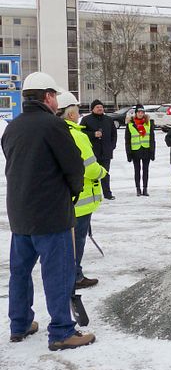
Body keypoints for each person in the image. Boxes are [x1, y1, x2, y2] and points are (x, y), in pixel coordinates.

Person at [3, 72, 94, 350]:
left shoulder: (12, 127)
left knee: (20, 272)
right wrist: (74, 191)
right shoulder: (55, 127)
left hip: (20, 216)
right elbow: (74, 167)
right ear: (48, 97)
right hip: (51, 216)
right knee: (57, 273)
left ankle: (20, 324)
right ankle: (62, 331)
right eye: (54, 95)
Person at [57, 92, 108, 290]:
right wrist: (102, 172)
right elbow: (90, 167)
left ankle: (67, 275)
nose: (79, 114)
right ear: (70, 114)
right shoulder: (77, 135)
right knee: (77, 241)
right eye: (77, 111)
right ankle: (75, 277)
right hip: (81, 199)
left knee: (65, 241)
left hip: (63, 198)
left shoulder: (56, 133)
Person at [80, 98, 118, 200]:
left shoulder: (109, 120)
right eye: (97, 107)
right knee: (92, 174)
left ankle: (107, 194)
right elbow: (81, 133)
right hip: (92, 153)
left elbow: (114, 134)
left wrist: (112, 146)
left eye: (101, 107)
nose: (100, 108)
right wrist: (93, 134)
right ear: (93, 109)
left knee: (105, 173)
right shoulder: (86, 120)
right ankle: (92, 194)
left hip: (106, 152)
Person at [124, 104, 156, 196]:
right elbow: (127, 140)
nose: (141, 114)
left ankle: (145, 189)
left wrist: (152, 151)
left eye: (142, 112)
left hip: (146, 149)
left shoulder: (148, 123)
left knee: (145, 170)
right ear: (136, 113)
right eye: (139, 112)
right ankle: (138, 189)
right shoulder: (130, 124)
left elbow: (152, 139)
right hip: (135, 151)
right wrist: (128, 153)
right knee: (137, 170)